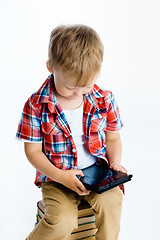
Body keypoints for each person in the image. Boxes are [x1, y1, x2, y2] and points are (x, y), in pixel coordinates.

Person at [16, 24, 126, 240]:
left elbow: (113, 138)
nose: (77, 93)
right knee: (62, 221)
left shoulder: (105, 99)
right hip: (56, 178)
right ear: (50, 67)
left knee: (112, 203)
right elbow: (33, 152)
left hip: (96, 173)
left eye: (85, 87)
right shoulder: (37, 105)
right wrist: (59, 176)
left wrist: (115, 163)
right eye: (69, 87)